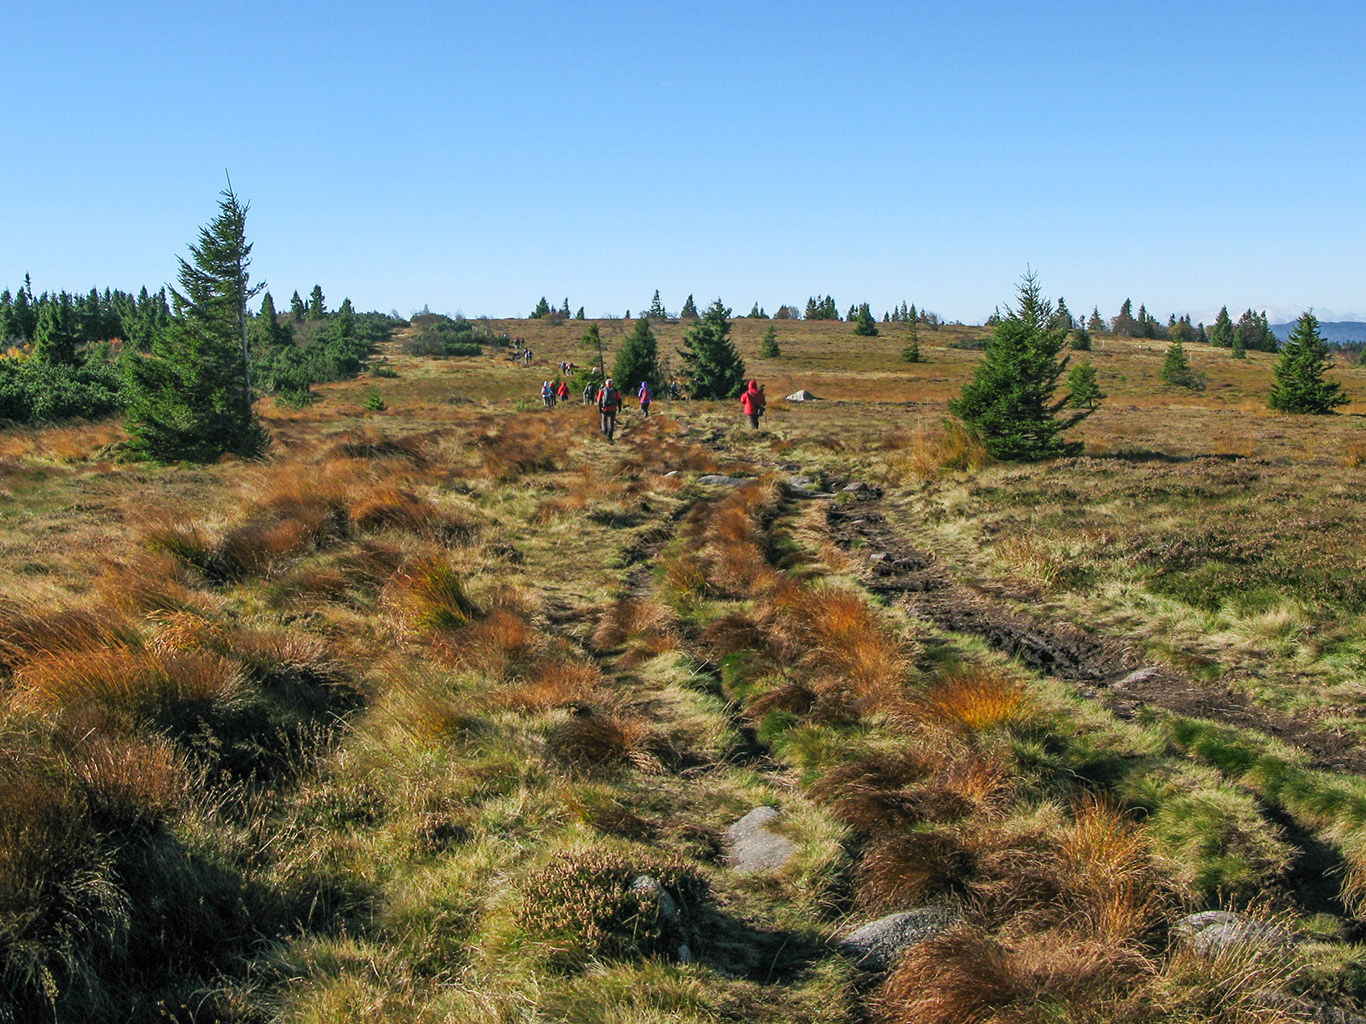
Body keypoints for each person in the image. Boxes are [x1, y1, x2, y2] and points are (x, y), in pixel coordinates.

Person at [597, 377, 622, 442]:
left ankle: (604, 433)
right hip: (613, 408)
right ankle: (610, 437)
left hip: (605, 408)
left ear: (606, 384)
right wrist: (619, 408)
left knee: (604, 421)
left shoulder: (602, 390)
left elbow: (599, 400)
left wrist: (599, 408)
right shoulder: (616, 390)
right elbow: (619, 400)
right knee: (611, 423)